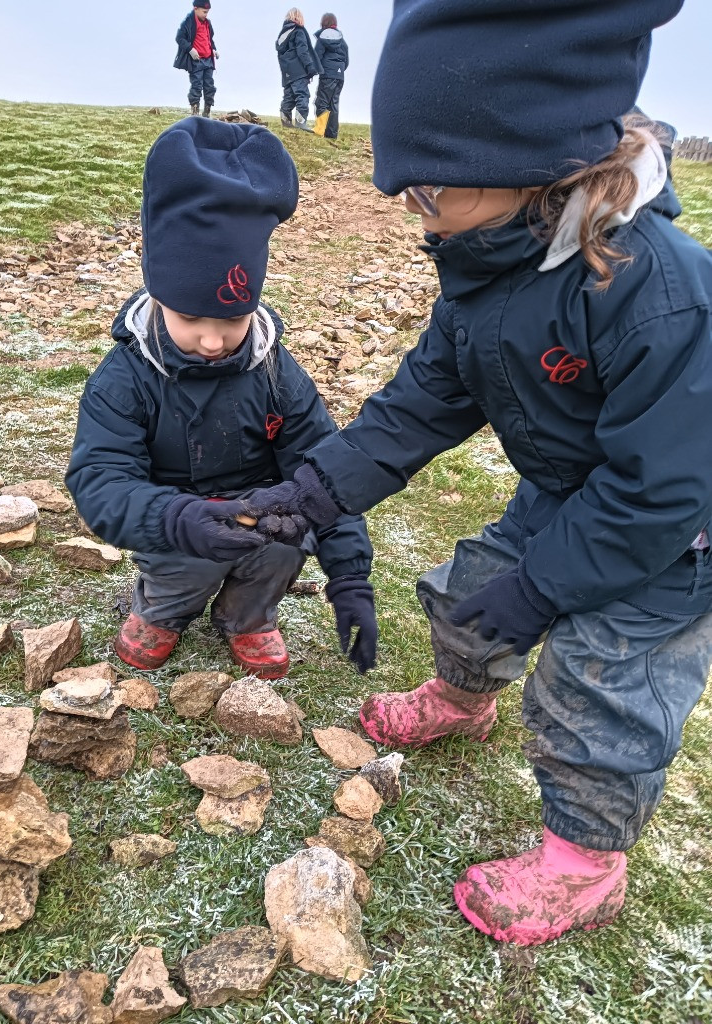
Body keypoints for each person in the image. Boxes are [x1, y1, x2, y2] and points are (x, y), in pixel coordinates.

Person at [238, 0, 712, 946]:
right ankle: (461, 702)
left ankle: (584, 864)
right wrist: (309, 494)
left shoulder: (655, 289)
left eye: (427, 190)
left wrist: (545, 590)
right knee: (469, 594)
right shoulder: (483, 269)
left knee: (594, 682)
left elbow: (660, 489)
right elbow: (415, 409)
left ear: (523, 161)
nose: (417, 213)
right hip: (568, 495)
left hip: (673, 538)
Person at [65, 117, 376, 680]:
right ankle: (163, 609)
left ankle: (247, 615)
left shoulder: (278, 372)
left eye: (233, 319)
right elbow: (100, 483)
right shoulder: (123, 378)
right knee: (186, 563)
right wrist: (181, 518)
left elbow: (327, 470)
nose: (213, 341)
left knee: (288, 536)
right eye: (190, 319)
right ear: (159, 297)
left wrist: (349, 571)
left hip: (257, 513)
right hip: (174, 519)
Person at [276, 8, 323, 131]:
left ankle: (285, 121)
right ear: (299, 18)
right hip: (299, 71)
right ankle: (300, 122)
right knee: (302, 95)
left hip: (287, 72)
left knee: (289, 97)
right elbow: (302, 51)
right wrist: (310, 68)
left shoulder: (282, 35)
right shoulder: (298, 31)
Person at [174, 1, 219, 117]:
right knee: (197, 86)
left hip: (208, 60)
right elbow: (179, 38)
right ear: (195, 8)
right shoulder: (188, 22)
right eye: (204, 12)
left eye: (207, 12)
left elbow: (210, 39)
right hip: (196, 61)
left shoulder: (208, 23)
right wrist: (190, 49)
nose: (206, 15)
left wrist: (213, 49)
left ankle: (207, 112)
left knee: (209, 86)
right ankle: (195, 113)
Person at [313, 14, 349, 139]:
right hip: (340, 76)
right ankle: (332, 135)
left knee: (321, 102)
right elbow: (346, 60)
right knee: (333, 104)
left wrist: (313, 71)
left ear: (323, 23)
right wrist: (339, 70)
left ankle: (319, 131)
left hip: (328, 74)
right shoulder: (341, 39)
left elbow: (316, 57)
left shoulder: (323, 36)